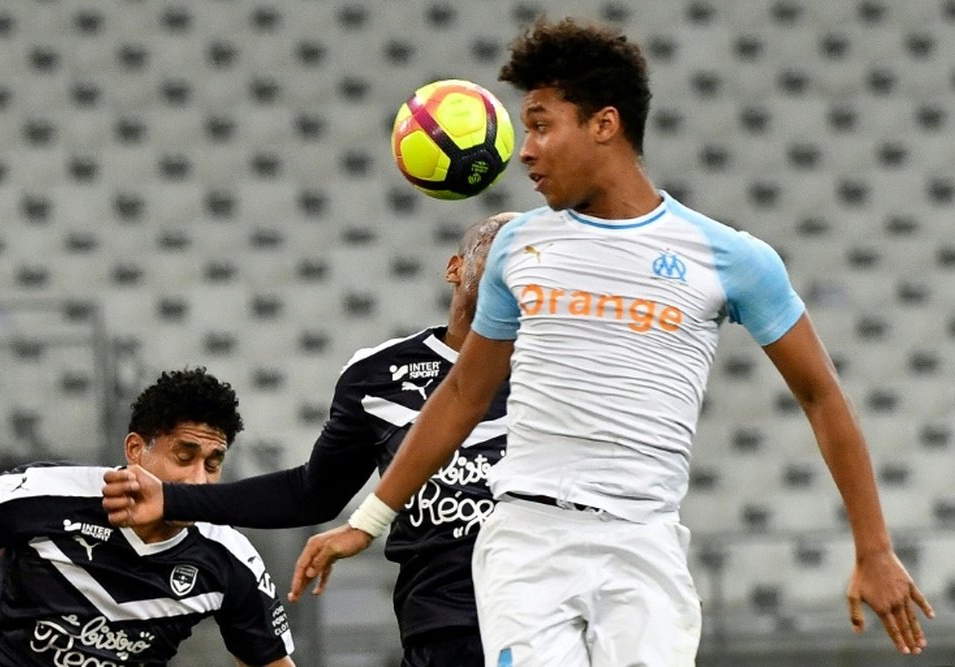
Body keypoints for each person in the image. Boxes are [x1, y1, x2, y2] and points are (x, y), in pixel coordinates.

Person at [285, 16, 934, 667]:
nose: (524, 150)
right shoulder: (520, 246)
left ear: (605, 124)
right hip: (526, 540)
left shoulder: (732, 258)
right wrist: (367, 519)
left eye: (540, 125)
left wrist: (873, 547)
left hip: (642, 541)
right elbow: (460, 393)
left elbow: (822, 396)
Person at [101, 213, 517, 666]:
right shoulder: (377, 376)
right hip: (440, 626)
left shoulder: (563, 369)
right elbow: (312, 494)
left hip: (543, 607)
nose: (513, 270)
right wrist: (173, 499)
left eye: (527, 263)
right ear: (455, 268)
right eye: (500, 253)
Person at [0, 368, 296, 667]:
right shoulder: (43, 493)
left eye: (212, 464)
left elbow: (268, 662)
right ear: (135, 450)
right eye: (183, 456)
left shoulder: (230, 557)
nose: (198, 480)